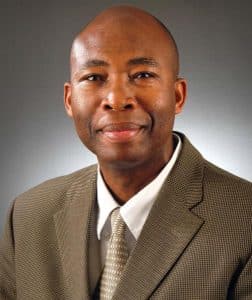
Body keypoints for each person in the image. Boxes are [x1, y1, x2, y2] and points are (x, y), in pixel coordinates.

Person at [0, 5, 251, 300]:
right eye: (94, 77)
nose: (117, 99)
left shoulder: (245, 223)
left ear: (177, 95)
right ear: (69, 100)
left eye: (142, 74)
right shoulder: (28, 216)